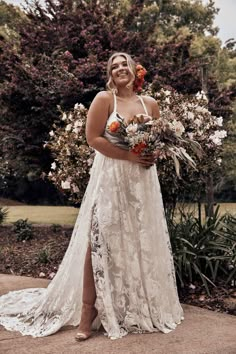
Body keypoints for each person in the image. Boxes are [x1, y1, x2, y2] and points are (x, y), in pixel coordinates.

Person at [0, 52, 184, 341]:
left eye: (125, 64)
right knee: (98, 242)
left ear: (136, 71)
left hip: (142, 184)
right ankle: (88, 311)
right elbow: (93, 138)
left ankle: (133, 305)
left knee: (139, 239)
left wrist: (153, 152)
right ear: (110, 75)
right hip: (112, 179)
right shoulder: (104, 99)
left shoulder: (150, 104)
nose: (120, 69)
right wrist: (129, 155)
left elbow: (159, 142)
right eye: (114, 66)